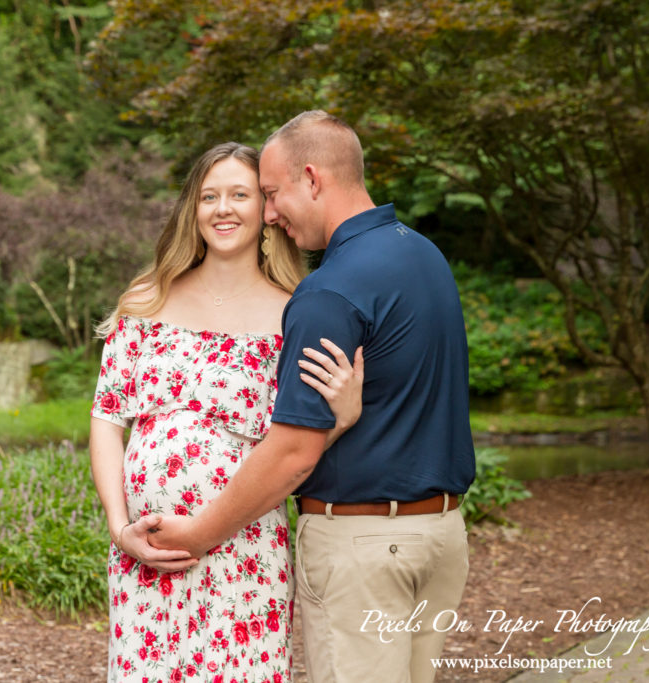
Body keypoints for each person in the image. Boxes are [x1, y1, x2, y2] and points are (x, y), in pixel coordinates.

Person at [149, 111, 476, 683]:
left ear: (312, 178)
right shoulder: (425, 255)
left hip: (364, 552)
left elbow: (293, 451)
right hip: (441, 540)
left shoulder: (329, 291)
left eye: (273, 194)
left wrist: (198, 534)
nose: (270, 216)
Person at [89, 141, 365, 682]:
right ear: (192, 210)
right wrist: (120, 529)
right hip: (146, 552)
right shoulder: (145, 300)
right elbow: (106, 419)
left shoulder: (296, 310)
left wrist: (344, 420)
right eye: (209, 196)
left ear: (265, 210)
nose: (223, 208)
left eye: (240, 194)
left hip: (244, 555)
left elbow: (293, 448)